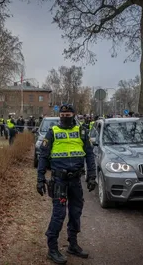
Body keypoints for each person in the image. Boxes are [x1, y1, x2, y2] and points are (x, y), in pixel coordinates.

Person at [37, 104, 96, 264]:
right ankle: (52, 249)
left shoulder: (82, 131)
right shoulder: (53, 132)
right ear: (59, 116)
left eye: (68, 114)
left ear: (74, 115)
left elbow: (90, 155)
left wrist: (92, 176)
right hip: (59, 180)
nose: (65, 116)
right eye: (62, 114)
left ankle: (73, 244)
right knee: (59, 213)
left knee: (76, 212)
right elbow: (43, 156)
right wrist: (40, 178)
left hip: (75, 180)